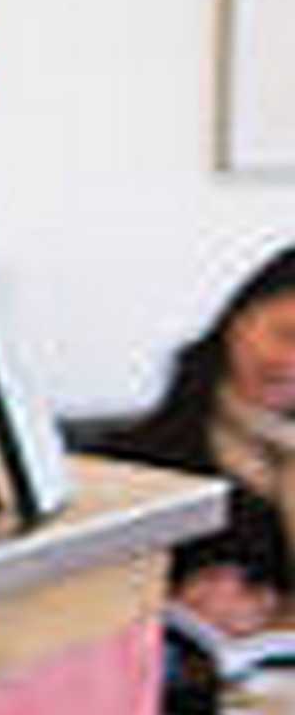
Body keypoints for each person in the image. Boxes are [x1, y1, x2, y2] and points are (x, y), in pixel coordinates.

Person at [92, 243, 295, 648]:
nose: (291, 362)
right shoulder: (138, 463)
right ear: (237, 320)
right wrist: (178, 617)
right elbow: (98, 611)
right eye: (286, 334)